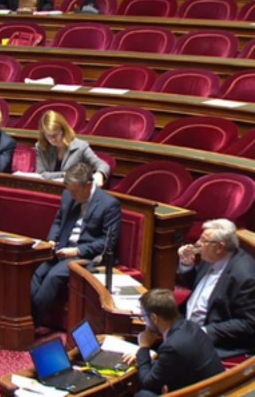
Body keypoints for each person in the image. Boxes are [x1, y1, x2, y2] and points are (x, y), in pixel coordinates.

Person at [31, 162, 121, 328]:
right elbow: (59, 220)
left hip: (87, 256)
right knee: (37, 273)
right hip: (62, 249)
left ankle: (32, 322)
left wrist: (77, 250)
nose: (71, 195)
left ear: (88, 185)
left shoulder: (109, 205)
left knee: (53, 276)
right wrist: (52, 239)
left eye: (74, 191)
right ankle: (25, 315)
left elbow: (108, 241)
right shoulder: (68, 195)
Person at [176, 218, 255, 358]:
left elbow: (248, 323)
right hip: (186, 327)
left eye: (203, 240)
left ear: (219, 247)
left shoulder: (245, 277)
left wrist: (203, 332)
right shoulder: (213, 257)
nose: (197, 244)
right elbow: (197, 287)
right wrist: (187, 265)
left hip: (215, 342)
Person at [122, 289, 224, 396]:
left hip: (204, 393)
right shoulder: (191, 326)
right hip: (218, 389)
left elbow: (148, 383)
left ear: (154, 318)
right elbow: (170, 364)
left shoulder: (172, 347)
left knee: (143, 395)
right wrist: (143, 358)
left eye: (143, 317)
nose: (144, 322)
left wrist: (144, 347)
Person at [35, 110, 110, 187]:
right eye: (49, 136)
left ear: (63, 130)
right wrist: (64, 174)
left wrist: (100, 174)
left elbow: (103, 165)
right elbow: (41, 173)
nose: (53, 139)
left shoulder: (80, 146)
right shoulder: (42, 146)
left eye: (55, 135)